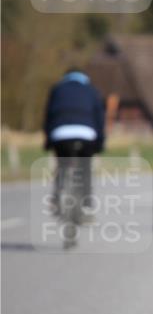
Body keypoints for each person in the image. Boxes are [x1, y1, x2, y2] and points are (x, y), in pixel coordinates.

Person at [43, 69, 105, 249]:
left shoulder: (57, 89)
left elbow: (48, 116)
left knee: (62, 166)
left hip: (60, 135)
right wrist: (100, 143)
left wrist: (48, 141)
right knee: (85, 169)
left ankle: (56, 198)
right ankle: (86, 204)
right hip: (86, 135)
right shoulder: (92, 90)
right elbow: (100, 120)